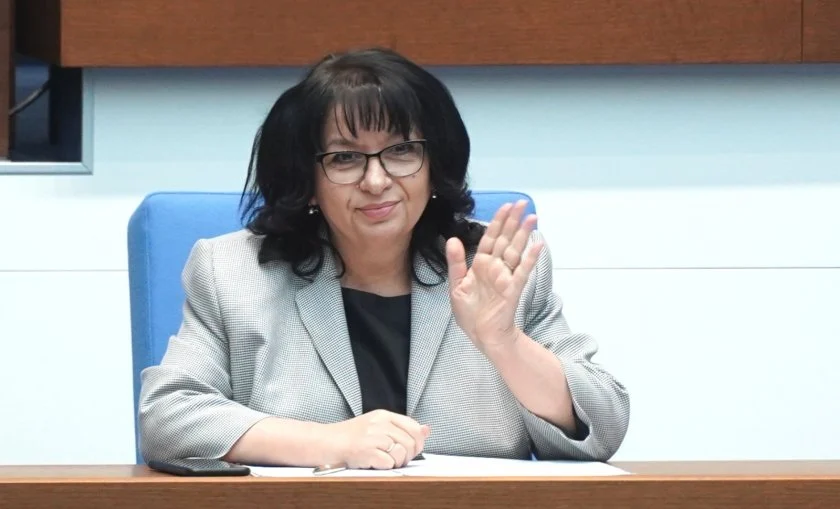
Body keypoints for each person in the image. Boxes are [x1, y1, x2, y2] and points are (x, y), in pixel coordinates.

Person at [138, 47, 630, 469]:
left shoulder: (497, 267)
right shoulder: (233, 272)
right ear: (305, 179)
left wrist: (505, 344)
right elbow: (167, 419)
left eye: (401, 151)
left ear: (434, 164)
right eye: (345, 158)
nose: (376, 181)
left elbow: (604, 426)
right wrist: (329, 443)